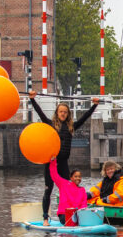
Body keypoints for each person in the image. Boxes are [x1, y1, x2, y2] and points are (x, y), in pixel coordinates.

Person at [29, 92, 99, 222]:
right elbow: (40, 113)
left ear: (68, 114)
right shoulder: (50, 124)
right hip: (51, 163)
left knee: (68, 190)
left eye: (65, 112)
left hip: (64, 163)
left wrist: (94, 105)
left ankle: (67, 215)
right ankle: (45, 218)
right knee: (48, 190)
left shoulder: (71, 126)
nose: (63, 114)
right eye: (60, 111)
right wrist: (32, 99)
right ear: (57, 113)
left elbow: (84, 118)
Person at [48, 157, 88, 224]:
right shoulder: (64, 184)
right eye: (76, 176)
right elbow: (54, 175)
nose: (78, 178)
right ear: (71, 178)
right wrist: (53, 162)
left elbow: (84, 205)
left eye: (79, 176)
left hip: (77, 215)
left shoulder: (82, 190)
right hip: (64, 214)